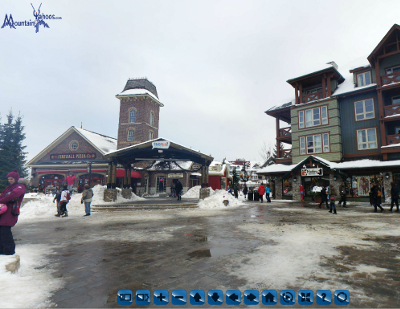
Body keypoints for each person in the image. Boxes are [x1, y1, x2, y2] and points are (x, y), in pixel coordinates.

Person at [0, 170, 28, 255]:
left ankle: (9, 251)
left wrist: (2, 201)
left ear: (15, 179)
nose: (9, 181)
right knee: (1, 231)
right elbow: (3, 195)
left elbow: (14, 194)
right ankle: (2, 250)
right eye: (8, 179)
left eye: (11, 179)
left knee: (5, 231)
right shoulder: (9, 187)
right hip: (3, 211)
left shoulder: (20, 186)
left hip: (11, 211)